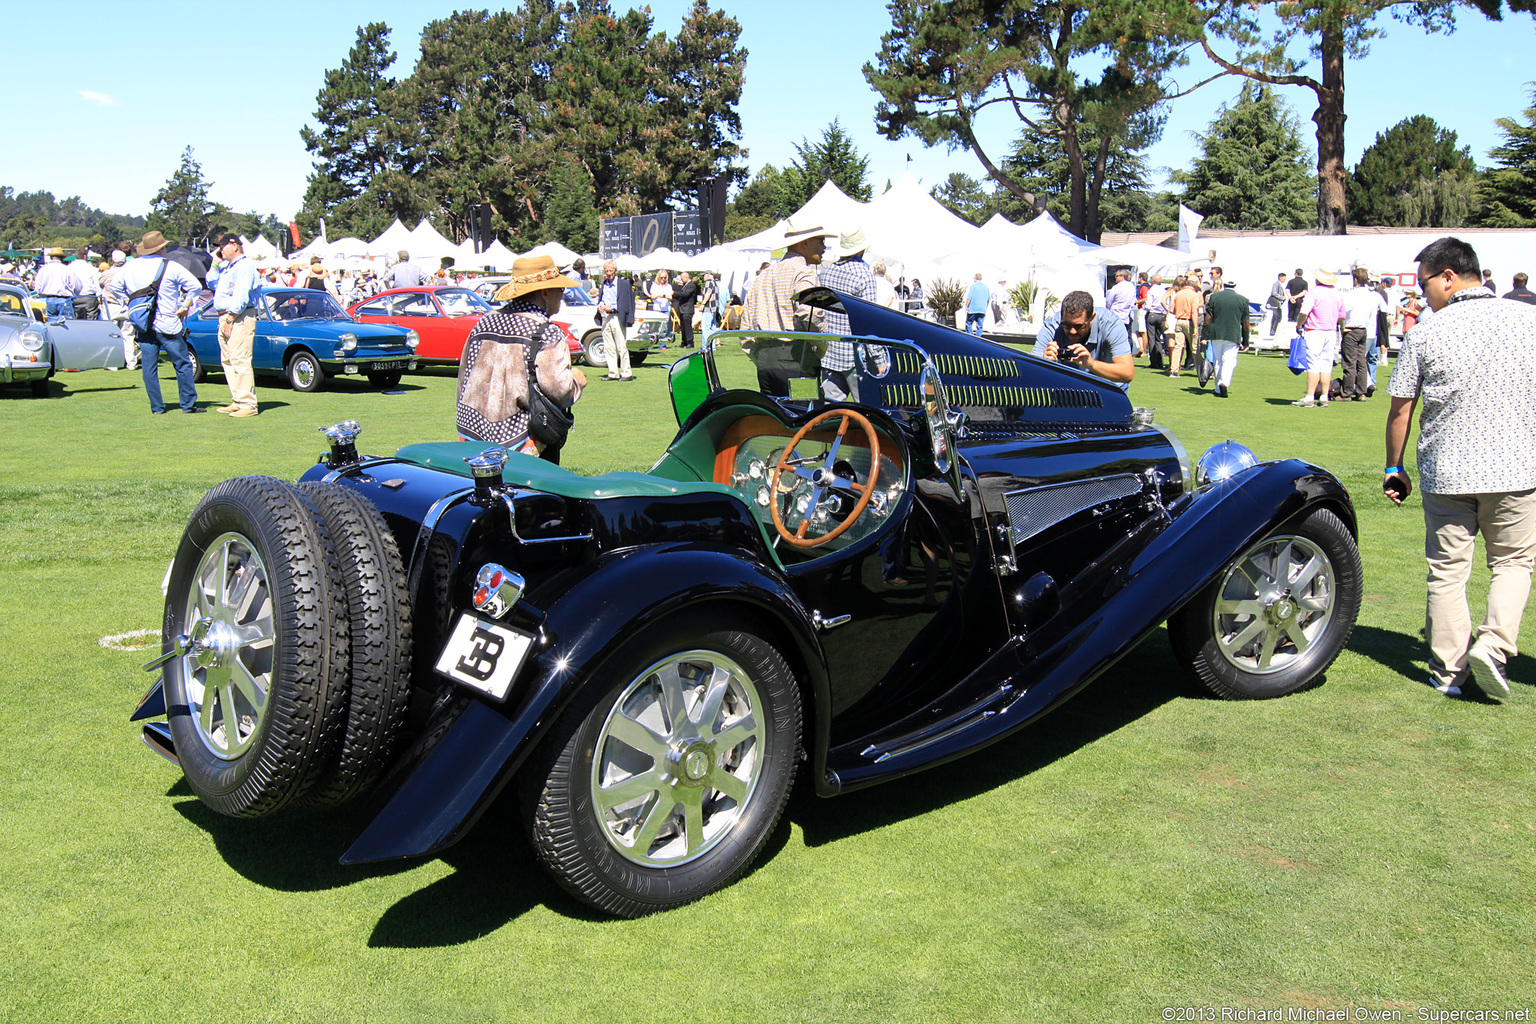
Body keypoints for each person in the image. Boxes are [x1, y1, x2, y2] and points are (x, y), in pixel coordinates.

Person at [1384, 236, 1536, 699]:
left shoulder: (1426, 332)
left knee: (1448, 570)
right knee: (1513, 564)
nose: (1421, 294)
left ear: (1448, 276)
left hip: (1447, 472)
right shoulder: (1529, 321)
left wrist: (1395, 466)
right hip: (1517, 468)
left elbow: (1401, 409)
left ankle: (1449, 671)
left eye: (1424, 283)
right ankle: (1493, 643)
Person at [457, 255, 587, 461]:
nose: (562, 294)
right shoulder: (546, 331)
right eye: (559, 288)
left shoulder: (483, 323)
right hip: (521, 442)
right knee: (528, 493)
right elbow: (560, 390)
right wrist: (576, 381)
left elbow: (464, 380)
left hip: (473, 437)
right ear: (544, 292)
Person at [108, 230, 203, 415]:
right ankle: (187, 404)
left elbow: (114, 287)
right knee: (182, 364)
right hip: (167, 321)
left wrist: (130, 302)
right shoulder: (171, 266)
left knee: (149, 368)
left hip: (142, 322)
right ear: (161, 248)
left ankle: (157, 407)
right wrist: (185, 304)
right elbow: (195, 286)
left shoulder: (129, 267)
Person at [742, 218, 832, 396]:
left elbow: (746, 329)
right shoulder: (803, 273)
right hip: (796, 360)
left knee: (776, 421)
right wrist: (822, 345)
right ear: (804, 243)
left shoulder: (763, 276)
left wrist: (761, 357)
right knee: (809, 420)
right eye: (821, 241)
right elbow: (810, 314)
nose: (824, 247)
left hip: (766, 363)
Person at [816, 225, 879, 402]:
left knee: (831, 411)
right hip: (855, 356)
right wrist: (879, 358)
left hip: (829, 353)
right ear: (862, 249)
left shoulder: (826, 272)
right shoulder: (864, 275)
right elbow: (868, 322)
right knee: (869, 410)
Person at [1031, 289, 1134, 389]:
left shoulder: (1110, 324)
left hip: (1107, 391)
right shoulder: (1052, 326)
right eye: (1066, 325)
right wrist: (1045, 364)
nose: (1072, 331)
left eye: (1079, 326)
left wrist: (1091, 364)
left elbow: (1127, 373)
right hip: (1069, 391)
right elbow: (1030, 373)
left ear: (1092, 318)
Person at [208, 233, 261, 418]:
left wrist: (230, 318)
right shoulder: (228, 267)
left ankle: (248, 404)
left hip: (239, 316)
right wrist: (215, 264)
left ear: (235, 246)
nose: (220, 250)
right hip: (226, 315)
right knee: (228, 360)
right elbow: (211, 282)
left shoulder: (245, 266)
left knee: (240, 359)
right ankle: (238, 400)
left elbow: (241, 295)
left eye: (223, 246)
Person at [1292, 269, 1346, 407]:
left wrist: (1299, 324)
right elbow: (1342, 317)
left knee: (1313, 363)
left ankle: (1310, 396)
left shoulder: (1314, 292)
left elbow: (1304, 312)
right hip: (1331, 331)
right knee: (1326, 364)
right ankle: (1324, 396)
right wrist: (1342, 328)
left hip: (1315, 331)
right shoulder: (1337, 294)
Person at [1340, 267, 1388, 401]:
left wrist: (1342, 326)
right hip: (1365, 330)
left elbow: (1344, 312)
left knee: (1349, 362)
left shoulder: (1351, 294)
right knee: (1361, 362)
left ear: (1355, 280)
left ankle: (1347, 392)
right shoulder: (1373, 295)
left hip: (1352, 328)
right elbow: (1384, 308)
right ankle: (1361, 392)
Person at [595, 260, 636, 381]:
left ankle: (626, 373)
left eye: (610, 270)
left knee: (621, 346)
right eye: (606, 271)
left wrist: (612, 308)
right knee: (608, 346)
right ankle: (613, 373)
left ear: (615, 271)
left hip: (617, 316)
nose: (608, 273)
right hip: (605, 317)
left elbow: (628, 302)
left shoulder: (623, 284)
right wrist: (601, 305)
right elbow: (602, 298)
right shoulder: (604, 284)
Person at [100, 249, 137, 370]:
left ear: (112, 260)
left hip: (111, 306)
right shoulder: (130, 273)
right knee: (128, 335)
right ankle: (131, 362)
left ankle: (112, 363)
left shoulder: (106, 273)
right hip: (126, 305)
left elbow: (101, 284)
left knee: (111, 335)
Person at [1166, 274, 1201, 378]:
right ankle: (1201, 370)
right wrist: (1196, 327)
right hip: (1189, 321)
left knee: (1178, 346)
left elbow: (1171, 310)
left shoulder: (1178, 294)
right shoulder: (1194, 295)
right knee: (1194, 348)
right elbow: (1194, 311)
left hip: (1179, 321)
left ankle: (1174, 370)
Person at [34, 248, 73, 321]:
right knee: (68, 324)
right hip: (65, 299)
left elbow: (37, 288)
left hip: (50, 299)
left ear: (51, 257)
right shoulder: (67, 269)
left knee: (52, 324)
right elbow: (73, 285)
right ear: (62, 258)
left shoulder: (43, 269)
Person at [67, 247, 101, 319]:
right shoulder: (91, 268)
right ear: (85, 256)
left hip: (74, 297)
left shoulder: (69, 268)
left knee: (75, 318)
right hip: (89, 297)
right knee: (91, 320)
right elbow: (96, 283)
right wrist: (99, 295)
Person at [671, 270, 700, 349]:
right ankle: (684, 342)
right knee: (683, 327)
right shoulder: (685, 285)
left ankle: (690, 342)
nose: (681, 280)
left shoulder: (691, 285)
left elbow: (685, 294)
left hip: (687, 309)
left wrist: (674, 293)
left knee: (687, 326)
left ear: (686, 277)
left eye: (682, 278)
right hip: (683, 309)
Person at [1144, 273, 1168, 369]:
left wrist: (1145, 308)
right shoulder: (1163, 290)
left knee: (1152, 338)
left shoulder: (1151, 291)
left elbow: (1148, 305)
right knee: (1159, 338)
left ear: (1153, 280)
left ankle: (1154, 361)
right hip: (1161, 315)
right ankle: (1160, 361)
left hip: (1152, 314)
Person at [1105, 269, 1136, 341]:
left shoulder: (1116, 287)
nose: (1115, 277)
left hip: (1116, 315)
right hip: (1127, 316)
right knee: (1127, 336)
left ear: (1122, 277)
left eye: (1116, 276)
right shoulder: (1131, 287)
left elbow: (1109, 301)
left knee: (1115, 337)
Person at [1266, 272, 1288, 339]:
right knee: (1277, 317)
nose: (1285, 280)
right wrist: (1282, 297)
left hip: (1278, 304)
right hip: (1275, 304)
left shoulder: (1279, 285)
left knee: (1277, 317)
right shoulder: (1276, 284)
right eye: (1284, 278)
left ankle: (1274, 331)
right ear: (1280, 277)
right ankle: (1273, 332)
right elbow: (1274, 293)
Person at [699, 271, 720, 341]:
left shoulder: (709, 282)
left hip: (708, 308)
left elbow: (708, 294)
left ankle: (706, 346)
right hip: (714, 309)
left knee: (705, 328)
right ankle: (712, 346)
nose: (703, 277)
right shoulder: (715, 283)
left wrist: (703, 304)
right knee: (712, 328)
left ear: (708, 275)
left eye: (704, 275)